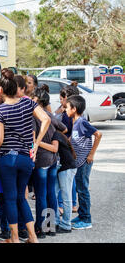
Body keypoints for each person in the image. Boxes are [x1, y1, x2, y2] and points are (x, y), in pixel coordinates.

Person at [0, 68, 51, 243]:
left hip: (6, 158)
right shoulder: (28, 103)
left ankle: (15, 238)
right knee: (21, 197)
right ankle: (32, 237)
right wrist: (36, 143)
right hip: (26, 158)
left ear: (1, 90)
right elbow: (45, 119)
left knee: (9, 198)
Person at [30, 86, 65, 238]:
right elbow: (63, 129)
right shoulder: (50, 115)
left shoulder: (33, 116)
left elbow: (31, 139)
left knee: (41, 195)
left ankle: (40, 228)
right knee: (51, 193)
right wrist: (53, 138)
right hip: (53, 160)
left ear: (36, 100)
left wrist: (39, 142)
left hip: (41, 159)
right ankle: (50, 226)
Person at [66, 95, 102, 230]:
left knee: (83, 190)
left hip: (84, 162)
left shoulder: (81, 122)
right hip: (78, 162)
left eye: (67, 107)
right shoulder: (75, 123)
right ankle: (81, 215)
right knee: (80, 189)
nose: (65, 110)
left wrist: (91, 154)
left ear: (74, 109)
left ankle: (86, 219)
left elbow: (98, 134)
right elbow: (74, 139)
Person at [54, 83, 80, 213]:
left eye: (61, 99)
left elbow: (65, 130)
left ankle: (62, 205)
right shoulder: (73, 112)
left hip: (66, 148)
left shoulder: (66, 115)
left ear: (66, 99)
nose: (60, 101)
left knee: (64, 179)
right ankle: (73, 203)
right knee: (70, 178)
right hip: (70, 148)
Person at [53, 130, 77, 233]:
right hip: (62, 168)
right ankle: (56, 221)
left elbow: (54, 149)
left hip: (67, 168)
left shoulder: (55, 135)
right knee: (53, 193)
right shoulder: (59, 134)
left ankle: (66, 224)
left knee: (66, 197)